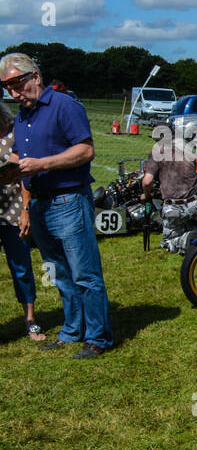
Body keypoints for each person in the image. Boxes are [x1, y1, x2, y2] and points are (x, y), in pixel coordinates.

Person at [1, 51, 113, 357]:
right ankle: (72, 330)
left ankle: (98, 338)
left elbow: (86, 151)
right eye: (7, 87)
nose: (13, 92)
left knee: (84, 274)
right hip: (38, 203)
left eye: (17, 83)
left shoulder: (65, 106)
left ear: (35, 77)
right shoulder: (23, 115)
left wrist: (42, 164)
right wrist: (10, 172)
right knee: (59, 272)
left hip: (68, 200)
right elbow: (23, 161)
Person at [0, 103, 44, 341]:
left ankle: (30, 319)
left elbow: (28, 171)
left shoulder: (14, 134)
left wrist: (25, 210)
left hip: (14, 210)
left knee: (21, 267)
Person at [141, 133, 197, 253]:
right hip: (196, 202)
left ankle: (181, 241)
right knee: (192, 233)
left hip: (174, 206)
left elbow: (147, 182)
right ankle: (192, 241)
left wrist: (146, 195)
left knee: (167, 243)